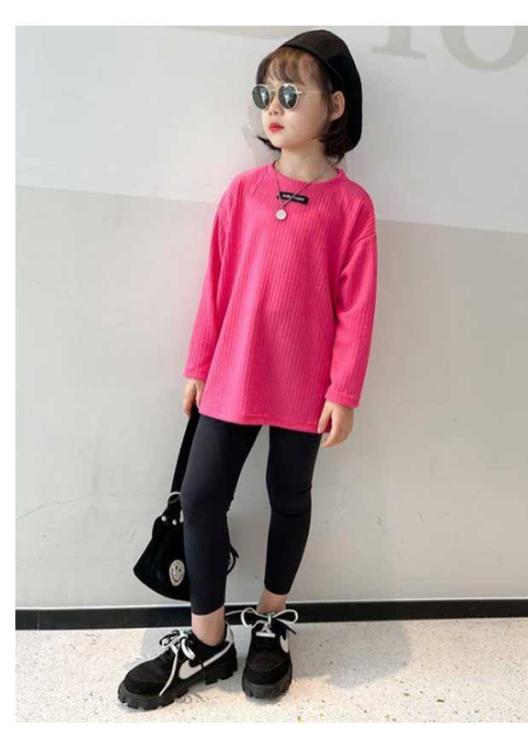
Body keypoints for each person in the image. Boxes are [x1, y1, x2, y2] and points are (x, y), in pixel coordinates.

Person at [118, 29, 378, 710]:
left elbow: (357, 306)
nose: (274, 107)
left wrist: (344, 390)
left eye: (291, 94)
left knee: (289, 496)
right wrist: (198, 363)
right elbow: (217, 285)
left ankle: (270, 618)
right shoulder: (243, 193)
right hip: (233, 372)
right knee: (202, 496)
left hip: (306, 384)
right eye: (265, 94)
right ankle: (207, 640)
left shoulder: (352, 206)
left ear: (335, 106)